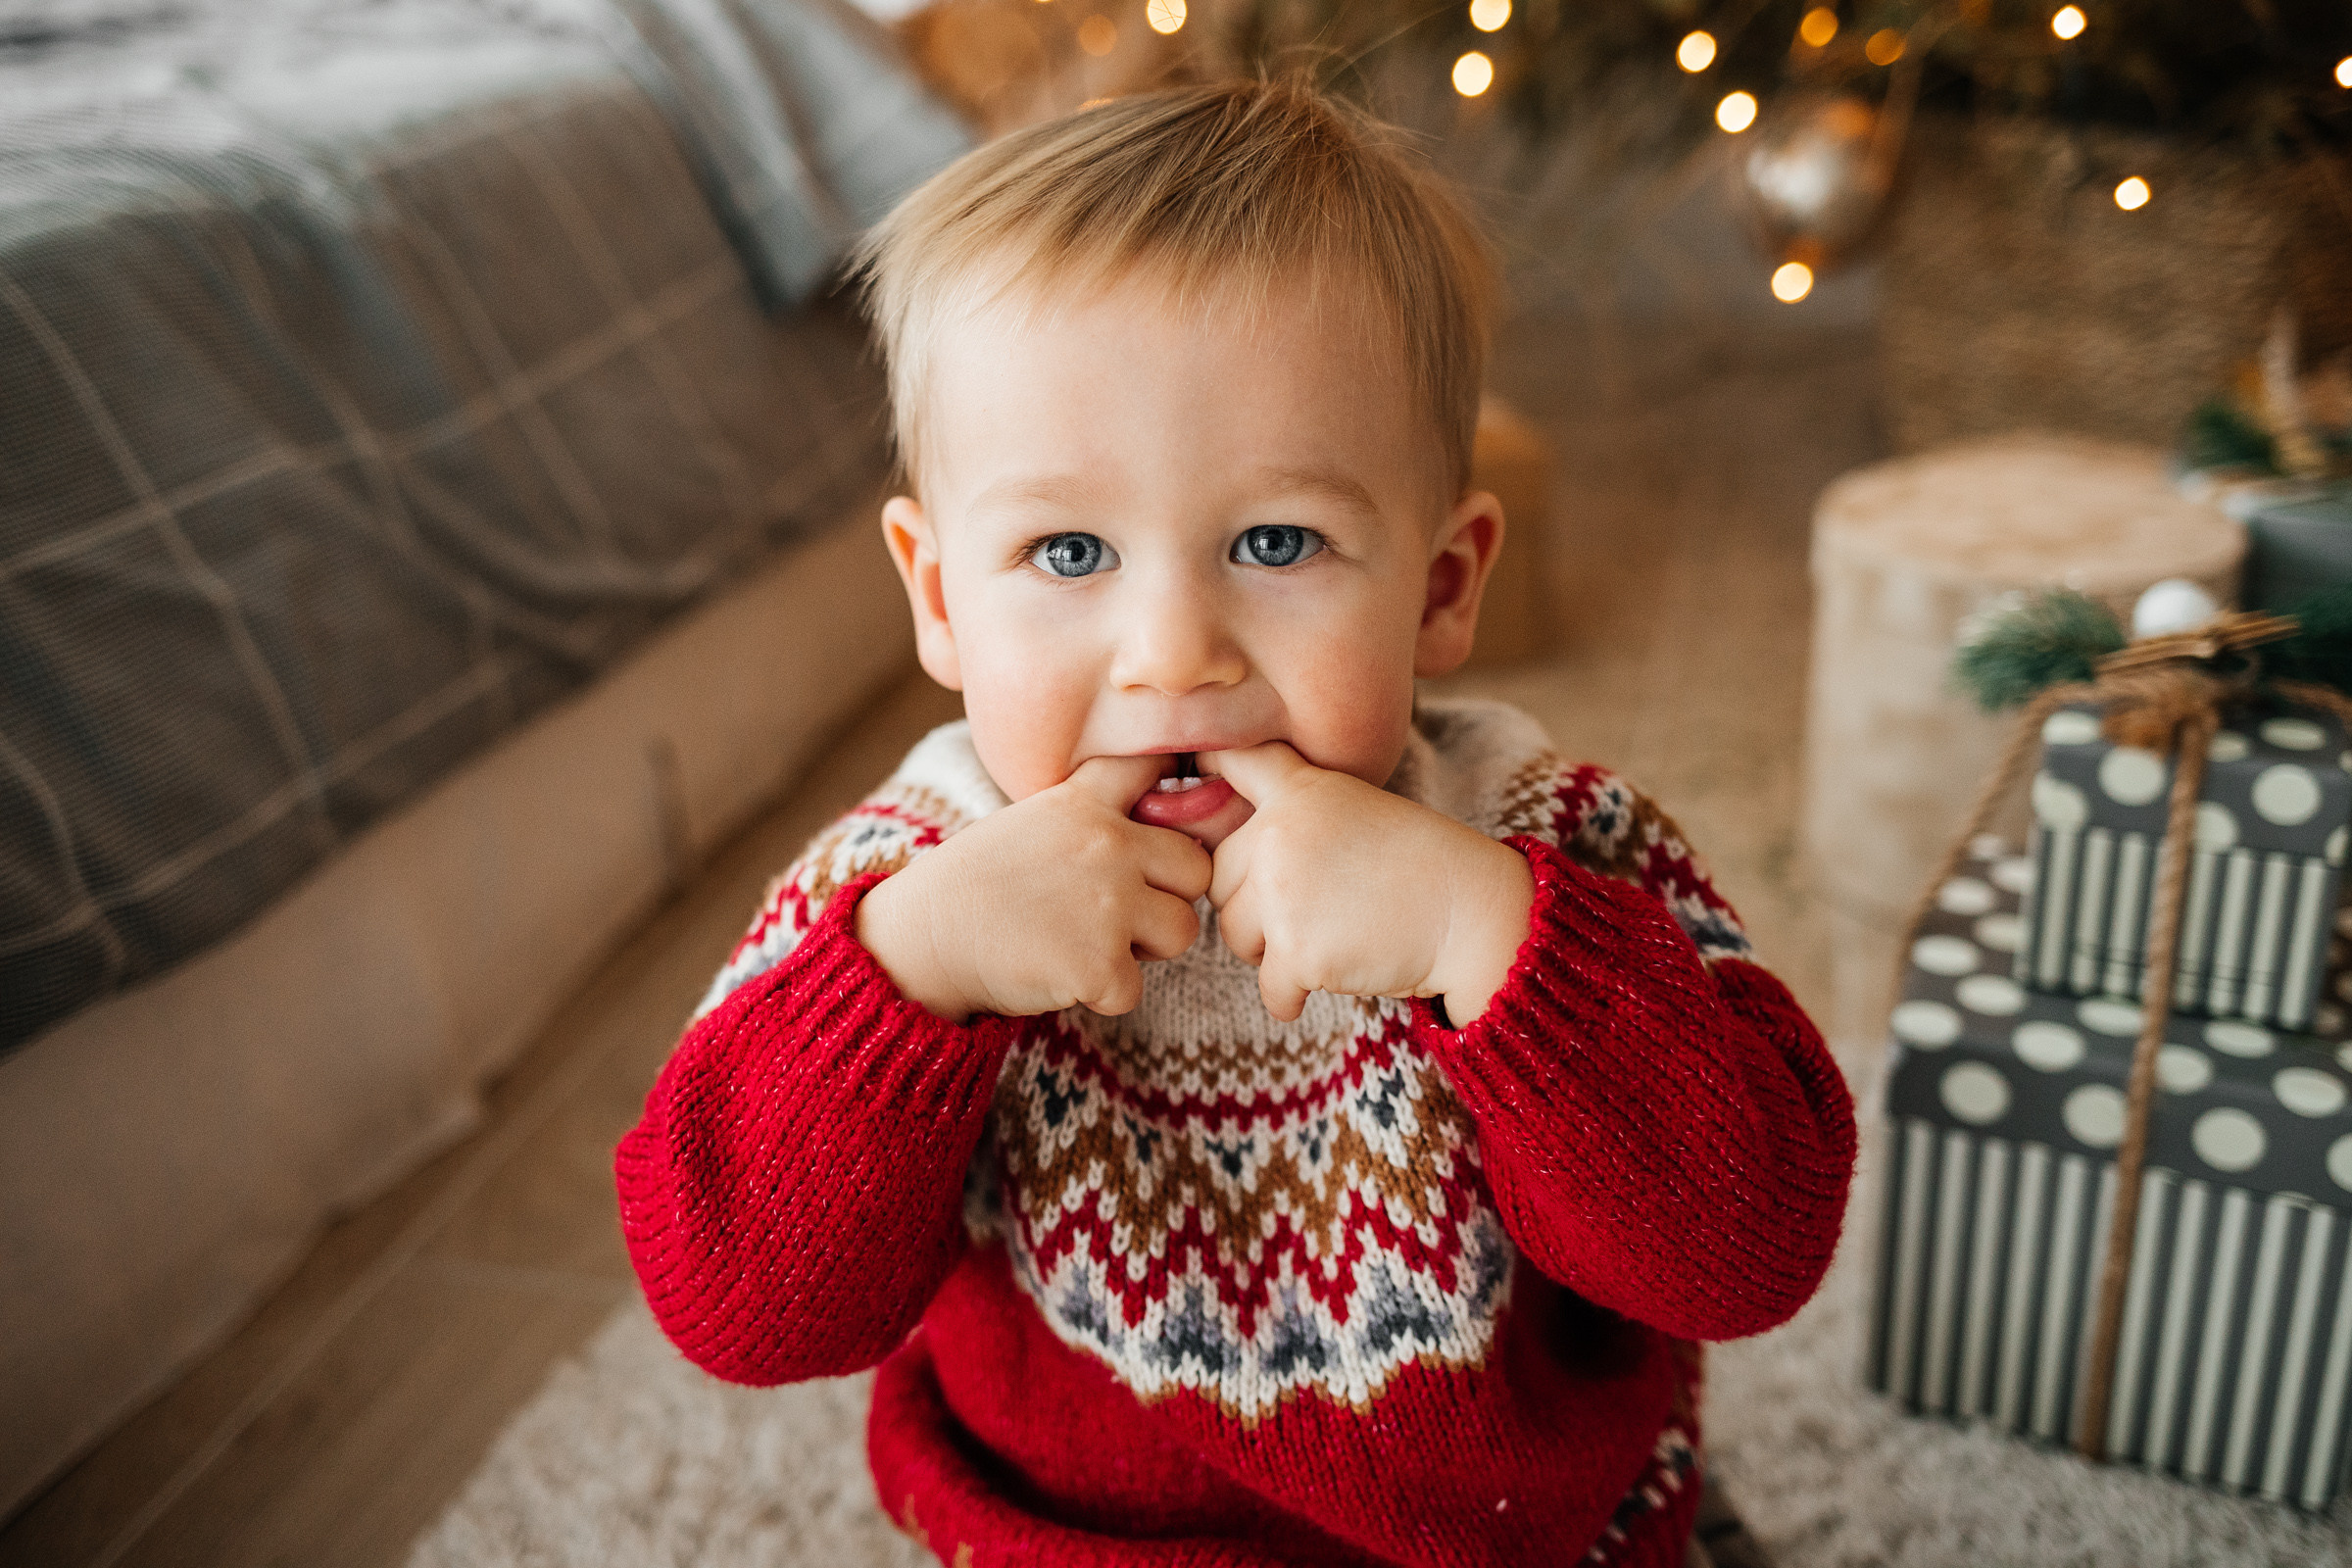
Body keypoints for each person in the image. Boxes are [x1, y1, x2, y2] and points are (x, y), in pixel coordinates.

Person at [615, 78, 1855, 1568]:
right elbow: (737, 1309)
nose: (1173, 654)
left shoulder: (1546, 838)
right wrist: (912, 976)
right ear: (941, 598)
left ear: (1442, 588)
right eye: (1066, 552)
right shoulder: (901, 890)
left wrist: (1489, 937)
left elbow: (1753, 1252)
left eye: (1276, 541)